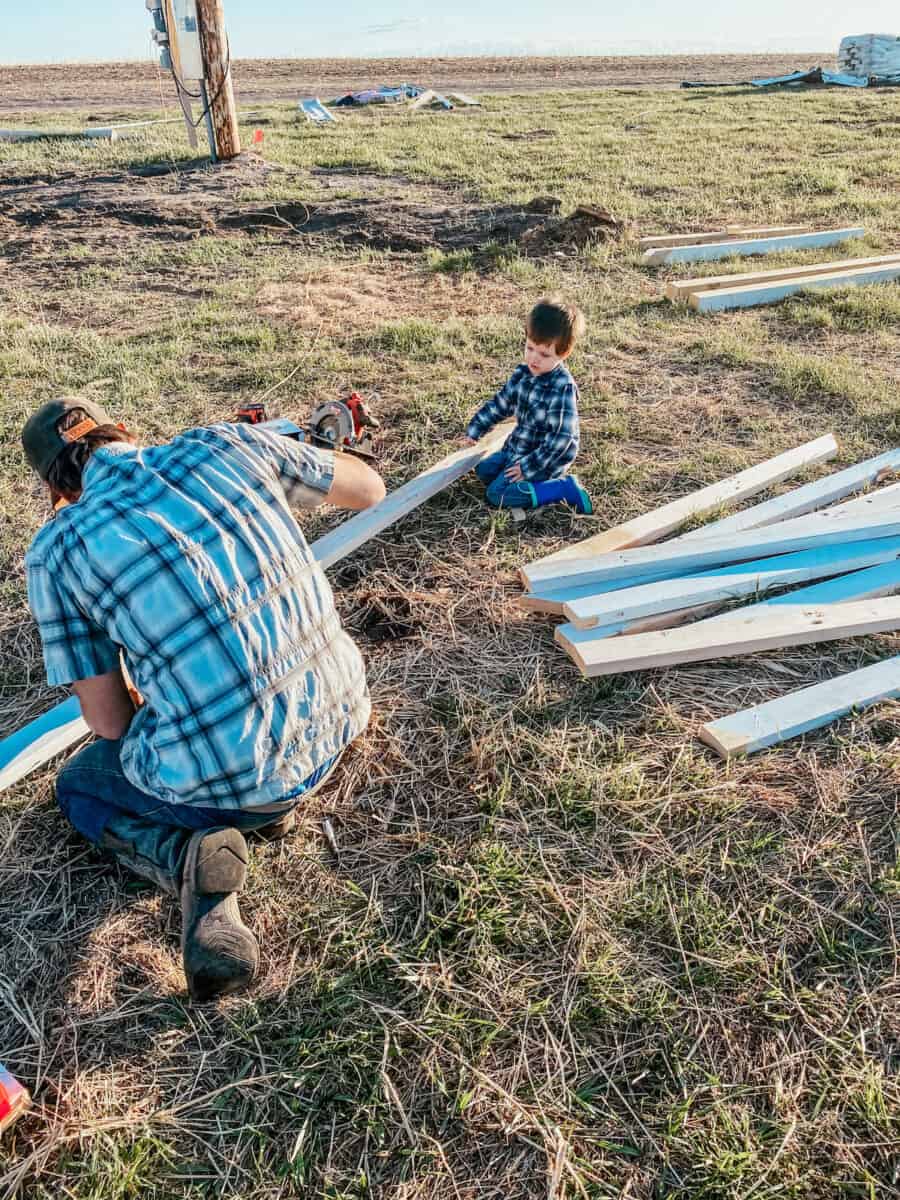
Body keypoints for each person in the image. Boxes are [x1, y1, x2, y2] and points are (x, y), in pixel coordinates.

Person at [21, 398, 385, 1002]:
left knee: (82, 783)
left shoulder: (59, 549)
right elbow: (369, 488)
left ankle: (185, 859)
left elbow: (109, 721)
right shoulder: (226, 445)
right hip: (339, 718)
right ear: (124, 432)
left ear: (57, 488)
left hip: (236, 782)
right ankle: (255, 816)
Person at [463, 297, 592, 513]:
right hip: (519, 446)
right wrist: (475, 429)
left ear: (564, 353)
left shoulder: (562, 388)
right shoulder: (523, 373)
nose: (534, 358)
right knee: (484, 470)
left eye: (544, 354)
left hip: (545, 458)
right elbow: (501, 403)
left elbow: (562, 440)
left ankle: (563, 488)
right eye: (530, 348)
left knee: (496, 494)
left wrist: (527, 468)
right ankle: (519, 476)